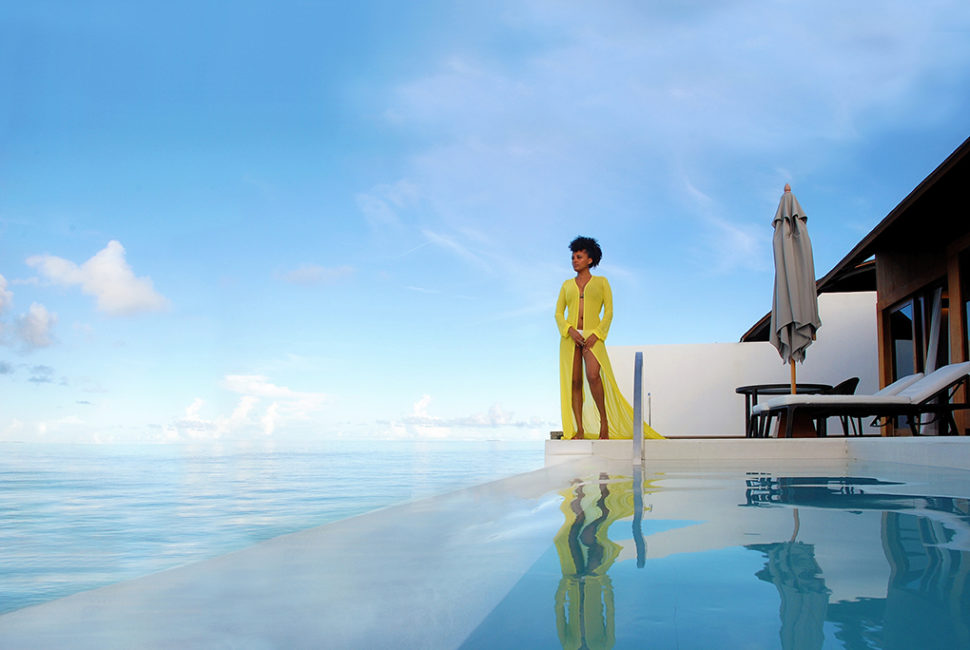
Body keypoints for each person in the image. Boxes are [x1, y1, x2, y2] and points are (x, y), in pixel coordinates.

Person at [555, 236, 664, 440]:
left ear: (590, 260)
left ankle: (604, 423)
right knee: (575, 382)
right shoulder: (566, 285)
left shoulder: (602, 282)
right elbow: (558, 313)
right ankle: (579, 429)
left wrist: (597, 334)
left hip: (593, 336)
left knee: (594, 376)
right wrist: (569, 330)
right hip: (570, 338)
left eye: (578, 257)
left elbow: (609, 312)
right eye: (572, 257)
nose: (574, 260)